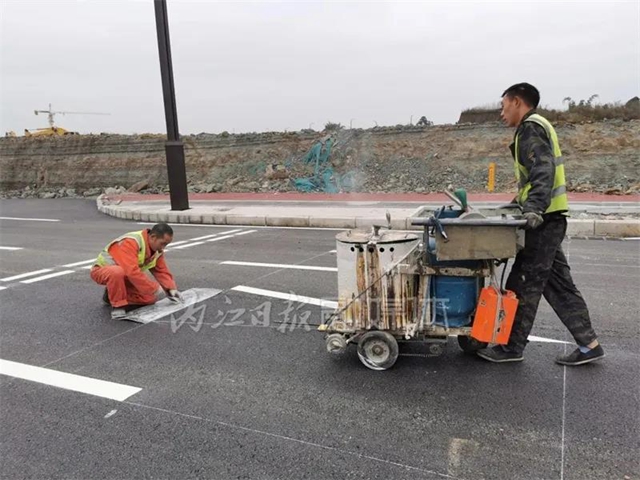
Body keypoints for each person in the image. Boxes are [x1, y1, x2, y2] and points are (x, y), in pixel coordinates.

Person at [477, 82, 604, 366]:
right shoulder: (537, 126)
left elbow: (542, 170)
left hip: (544, 221)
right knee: (557, 284)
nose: (501, 113)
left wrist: (532, 208)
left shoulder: (530, 128)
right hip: (552, 218)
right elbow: (533, 179)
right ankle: (589, 344)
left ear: (517, 102)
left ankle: (512, 348)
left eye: (503, 106)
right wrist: (516, 202)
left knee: (523, 282)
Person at [90, 222, 182, 319]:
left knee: (149, 299)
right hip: (102, 271)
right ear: (153, 237)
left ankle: (110, 295)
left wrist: (171, 289)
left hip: (125, 276)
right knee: (117, 272)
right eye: (163, 243)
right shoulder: (131, 242)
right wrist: (154, 288)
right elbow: (131, 271)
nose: (163, 247)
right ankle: (118, 305)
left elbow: (161, 271)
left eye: (166, 244)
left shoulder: (156, 251)